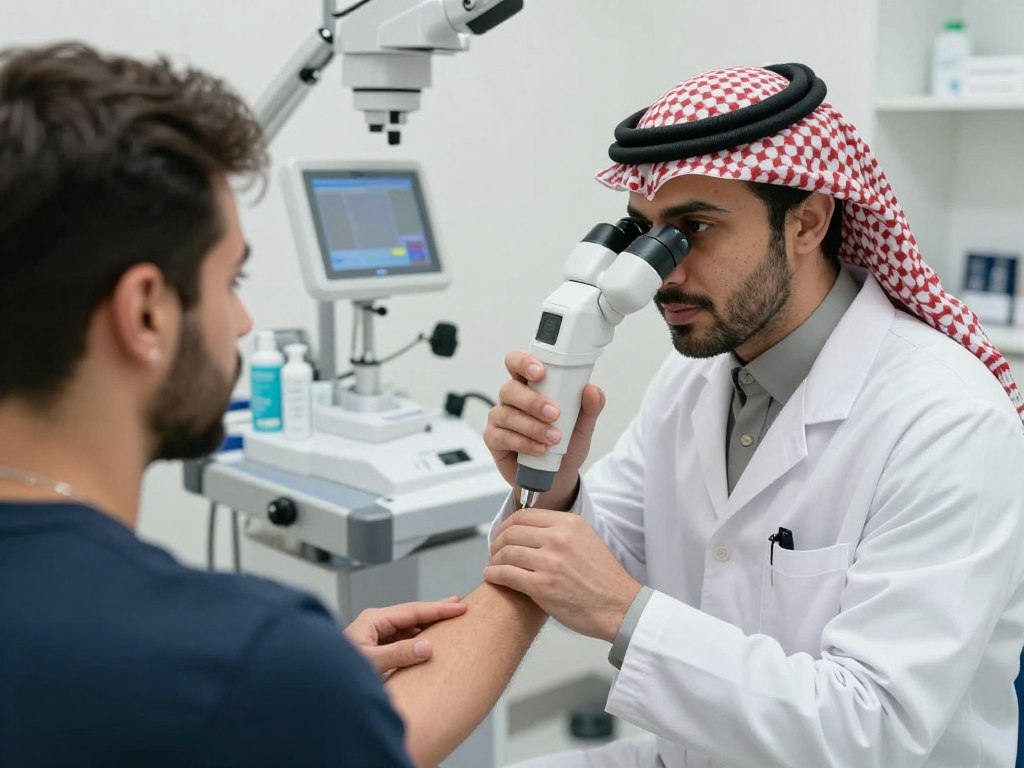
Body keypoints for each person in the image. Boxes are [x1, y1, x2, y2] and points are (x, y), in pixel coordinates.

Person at [0, 42, 546, 768]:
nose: (245, 323)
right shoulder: (248, 663)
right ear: (147, 315)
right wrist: (543, 550)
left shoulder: (251, 681)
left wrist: (311, 692)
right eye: (232, 281)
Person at [483, 62, 1024, 767]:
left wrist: (625, 614)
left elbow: (876, 729)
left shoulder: (948, 421)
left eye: (693, 230)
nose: (660, 275)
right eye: (646, 235)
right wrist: (553, 481)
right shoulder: (694, 378)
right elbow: (605, 557)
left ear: (808, 221)